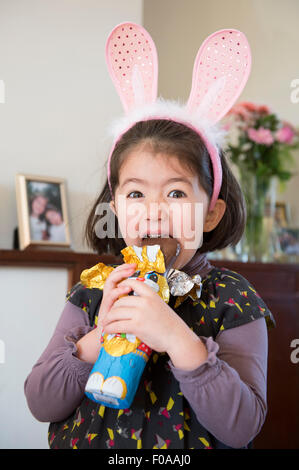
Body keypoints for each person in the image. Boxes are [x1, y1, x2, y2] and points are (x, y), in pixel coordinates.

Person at [24, 23, 275, 449]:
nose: (154, 210)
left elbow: (242, 426)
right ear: (117, 209)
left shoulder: (234, 300)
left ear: (211, 213)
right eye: (136, 193)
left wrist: (177, 337)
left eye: (176, 192)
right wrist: (98, 333)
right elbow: (41, 403)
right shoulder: (91, 293)